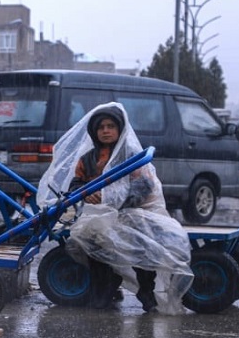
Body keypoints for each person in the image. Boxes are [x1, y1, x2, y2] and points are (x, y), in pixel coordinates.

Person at [37, 102, 193, 314]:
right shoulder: (88, 159)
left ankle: (146, 293)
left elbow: (144, 187)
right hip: (99, 217)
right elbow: (76, 184)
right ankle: (105, 289)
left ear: (119, 129)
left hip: (133, 213)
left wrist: (114, 201)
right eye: (101, 127)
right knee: (94, 246)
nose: (106, 131)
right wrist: (86, 194)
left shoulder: (131, 156)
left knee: (141, 249)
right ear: (95, 131)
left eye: (111, 126)